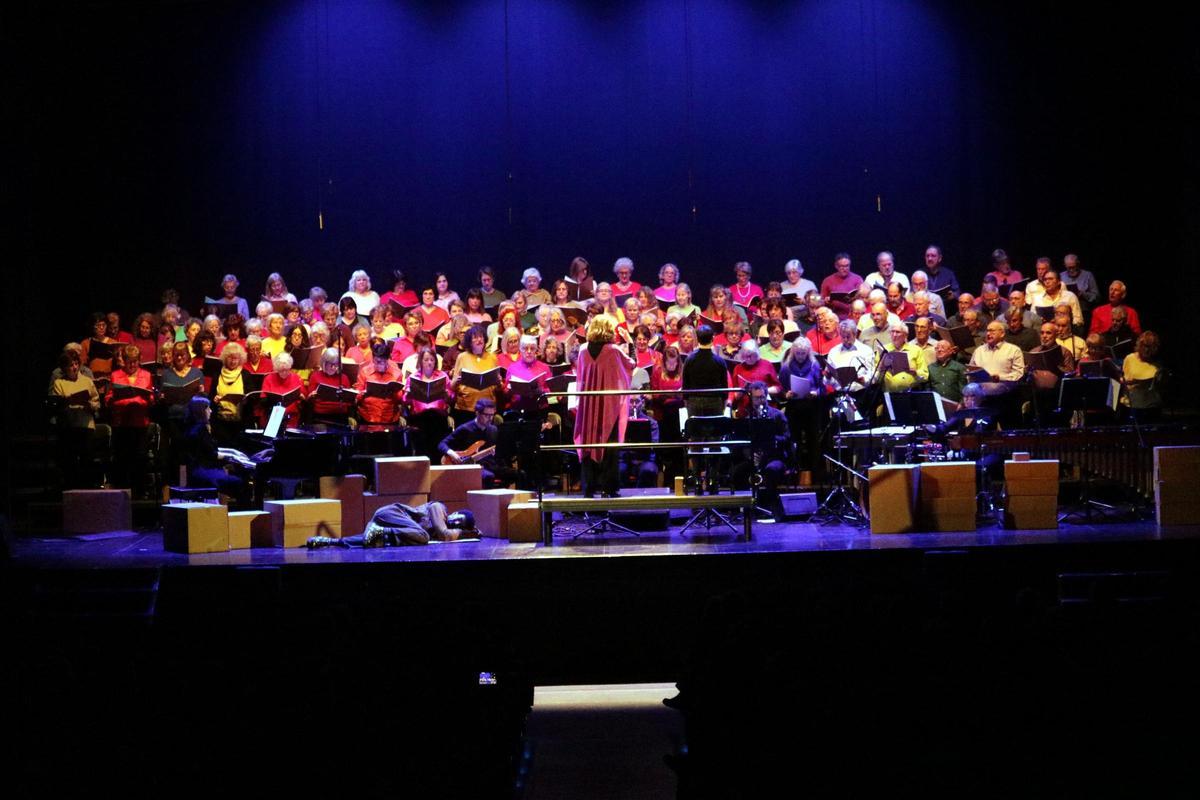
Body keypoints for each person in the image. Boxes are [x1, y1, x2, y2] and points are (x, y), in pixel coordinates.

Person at [573, 314, 636, 497]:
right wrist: (630, 342)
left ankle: (589, 489)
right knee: (609, 447)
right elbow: (631, 365)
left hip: (588, 405)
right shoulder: (613, 350)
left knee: (589, 444)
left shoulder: (584, 350)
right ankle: (609, 489)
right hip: (609, 406)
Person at [730, 381, 790, 509]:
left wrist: (771, 439)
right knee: (736, 472)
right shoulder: (746, 418)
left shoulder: (777, 415)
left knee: (771, 470)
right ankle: (744, 508)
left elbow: (787, 437)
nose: (760, 401)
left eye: (762, 397)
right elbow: (741, 440)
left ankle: (771, 507)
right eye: (757, 398)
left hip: (774, 457)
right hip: (754, 457)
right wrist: (749, 454)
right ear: (751, 398)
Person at [308, 501, 477, 547]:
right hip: (391, 513)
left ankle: (328, 542)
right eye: (458, 517)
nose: (455, 522)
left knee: (375, 540)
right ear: (455, 512)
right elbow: (444, 534)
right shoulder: (438, 507)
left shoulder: (435, 532)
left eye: (459, 524)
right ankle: (381, 531)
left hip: (388, 525)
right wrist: (467, 533)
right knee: (423, 536)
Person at [180, 397, 250, 506]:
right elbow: (213, 454)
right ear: (201, 410)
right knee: (241, 482)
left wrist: (232, 453)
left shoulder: (192, 428)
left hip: (196, 471)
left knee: (235, 475)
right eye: (208, 408)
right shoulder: (201, 429)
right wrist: (233, 457)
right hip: (203, 472)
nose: (211, 411)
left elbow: (209, 449)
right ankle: (244, 515)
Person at [107, 344, 155, 495]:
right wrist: (120, 399)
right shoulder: (116, 375)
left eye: (135, 361)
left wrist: (148, 399)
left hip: (140, 423)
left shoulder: (146, 375)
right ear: (124, 360)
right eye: (129, 361)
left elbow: (151, 398)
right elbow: (108, 398)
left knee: (140, 459)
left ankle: (139, 493)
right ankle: (121, 494)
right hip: (121, 423)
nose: (132, 365)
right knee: (122, 459)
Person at [440, 398, 518, 488]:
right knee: (488, 476)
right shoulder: (465, 429)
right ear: (477, 413)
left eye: (492, 415)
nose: (490, 418)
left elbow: (499, 453)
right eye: (486, 415)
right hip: (472, 466)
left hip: (491, 465)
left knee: (518, 474)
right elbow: (442, 444)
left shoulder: (493, 430)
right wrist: (452, 453)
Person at [50, 351, 101, 488]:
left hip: (85, 425)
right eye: (71, 365)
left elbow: (97, 403)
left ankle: (87, 489)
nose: (74, 367)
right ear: (64, 368)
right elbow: (56, 405)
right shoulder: (59, 383)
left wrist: (89, 404)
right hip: (69, 426)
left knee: (87, 460)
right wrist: (67, 402)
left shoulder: (87, 381)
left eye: (76, 364)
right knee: (69, 461)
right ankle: (71, 489)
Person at [405, 347, 453, 461]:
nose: (429, 362)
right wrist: (408, 394)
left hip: (438, 419)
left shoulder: (442, 376)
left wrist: (446, 394)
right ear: (420, 361)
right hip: (419, 419)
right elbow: (405, 400)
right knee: (422, 451)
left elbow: (451, 397)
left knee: (437, 451)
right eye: (426, 360)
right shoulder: (413, 377)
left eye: (432, 359)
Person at [968, 321, 1025, 398]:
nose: (988, 334)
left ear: (1002, 334)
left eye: (992, 331)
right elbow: (970, 372)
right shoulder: (979, 351)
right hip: (980, 396)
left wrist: (1000, 378)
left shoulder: (1014, 350)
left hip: (1005, 396)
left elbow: (1018, 374)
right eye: (987, 331)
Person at [355, 341, 404, 425]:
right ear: (373, 359)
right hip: (367, 417)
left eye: (384, 362)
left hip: (390, 418)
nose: (381, 365)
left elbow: (399, 400)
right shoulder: (365, 372)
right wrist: (364, 393)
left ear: (388, 359)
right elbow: (357, 396)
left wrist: (397, 392)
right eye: (378, 362)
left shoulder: (397, 373)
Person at [307, 347, 357, 426]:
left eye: (336, 364)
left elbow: (349, 401)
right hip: (321, 417)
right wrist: (311, 396)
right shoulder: (315, 376)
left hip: (341, 416)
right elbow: (309, 398)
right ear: (324, 363)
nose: (334, 368)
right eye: (331, 365)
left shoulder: (344, 378)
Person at [1122, 331, 1163, 421]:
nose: (1146, 349)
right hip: (1132, 406)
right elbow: (1124, 379)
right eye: (1144, 346)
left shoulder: (1157, 363)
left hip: (1151, 406)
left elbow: (1159, 386)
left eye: (1150, 347)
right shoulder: (1130, 358)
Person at [210, 342, 248, 443]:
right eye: (230, 358)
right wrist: (214, 399)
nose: (233, 361)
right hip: (219, 423)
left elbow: (252, 398)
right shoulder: (217, 373)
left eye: (235, 358)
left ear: (240, 359)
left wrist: (245, 400)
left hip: (239, 424)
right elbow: (211, 396)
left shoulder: (245, 375)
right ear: (224, 358)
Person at [879, 322, 929, 393]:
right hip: (888, 393)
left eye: (898, 332)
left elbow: (925, 375)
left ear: (905, 335)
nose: (894, 335)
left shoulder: (916, 350)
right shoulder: (884, 350)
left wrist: (916, 373)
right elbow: (876, 376)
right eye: (892, 332)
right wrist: (880, 369)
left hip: (911, 392)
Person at [820, 252, 864, 318]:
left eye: (847, 266)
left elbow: (862, 302)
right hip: (834, 316)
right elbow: (821, 302)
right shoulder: (827, 281)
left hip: (854, 316)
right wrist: (826, 301)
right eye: (841, 266)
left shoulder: (857, 279)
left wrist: (838, 303)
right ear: (836, 266)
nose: (844, 269)